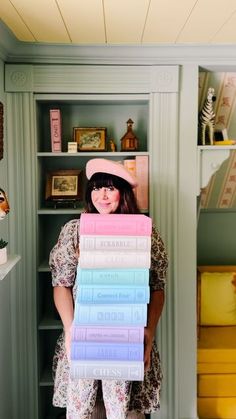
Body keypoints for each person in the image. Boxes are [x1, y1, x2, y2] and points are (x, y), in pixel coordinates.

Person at [49, 158, 168, 419]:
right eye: (96, 188)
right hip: (83, 333)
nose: (102, 195)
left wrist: (148, 331)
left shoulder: (144, 232)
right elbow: (61, 284)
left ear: (122, 193)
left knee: (124, 412)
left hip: (128, 337)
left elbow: (157, 286)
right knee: (83, 411)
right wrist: (71, 330)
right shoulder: (75, 231)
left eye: (110, 188)